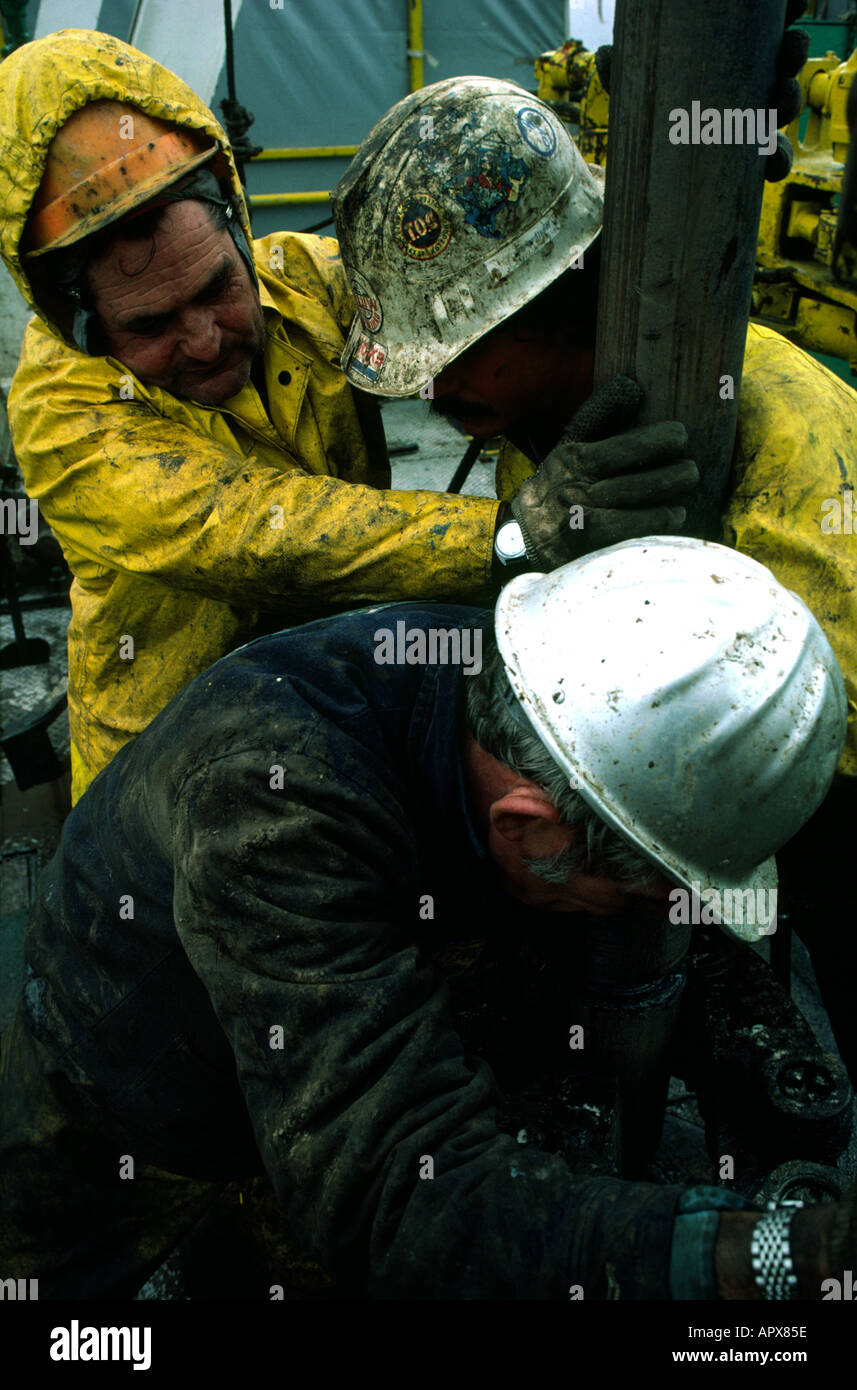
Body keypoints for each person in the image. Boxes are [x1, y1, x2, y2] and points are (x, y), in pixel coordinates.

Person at [2, 537, 853, 1300]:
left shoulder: (543, 685)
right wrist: (762, 1253)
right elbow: (392, 1196)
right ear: (528, 826)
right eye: (650, 896)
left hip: (334, 1019)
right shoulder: (272, 812)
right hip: (132, 1078)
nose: (672, 918)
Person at [0, 30, 689, 803]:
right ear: (80, 326)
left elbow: (469, 287)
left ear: (236, 226)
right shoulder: (63, 411)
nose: (203, 339)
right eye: (152, 325)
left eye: (216, 288)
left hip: (337, 699)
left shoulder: (305, 281)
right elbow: (254, 531)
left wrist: (657, 205)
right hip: (166, 761)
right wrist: (508, 536)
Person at [331, 72, 857, 1079]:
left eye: (461, 354)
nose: (437, 391)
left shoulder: (776, 442)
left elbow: (795, 744)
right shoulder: (559, 414)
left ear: (560, 296)